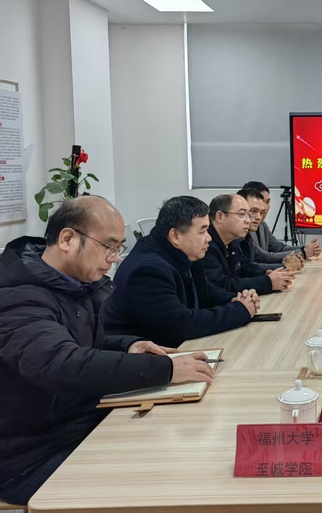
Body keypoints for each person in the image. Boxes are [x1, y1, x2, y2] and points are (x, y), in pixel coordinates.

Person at [0, 197, 214, 505]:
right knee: (161, 480)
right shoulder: (18, 298)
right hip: (33, 456)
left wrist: (128, 345)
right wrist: (167, 369)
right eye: (108, 247)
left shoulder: (75, 283)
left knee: (182, 445)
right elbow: (62, 363)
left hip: (81, 423)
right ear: (68, 239)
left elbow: (81, 343)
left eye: (118, 248)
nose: (113, 259)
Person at [103, 196, 260, 348]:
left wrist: (236, 299)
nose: (209, 238)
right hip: (144, 358)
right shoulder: (148, 270)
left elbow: (207, 291)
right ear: (175, 235)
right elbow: (180, 325)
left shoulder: (185, 254)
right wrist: (239, 311)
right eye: (202, 232)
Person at [204, 193, 295, 294]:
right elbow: (222, 286)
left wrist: (266, 274)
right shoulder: (205, 245)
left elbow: (245, 267)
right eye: (242, 214)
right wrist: (268, 282)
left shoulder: (232, 242)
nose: (248, 220)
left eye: (248, 215)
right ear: (220, 216)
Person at [241, 181, 322, 261]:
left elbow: (278, 248)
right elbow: (262, 257)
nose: (264, 208)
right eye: (261, 201)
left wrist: (306, 248)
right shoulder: (243, 228)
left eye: (267, 202)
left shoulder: (262, 225)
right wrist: (303, 253)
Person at [237, 188, 302, 273]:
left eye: (261, 212)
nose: (258, 217)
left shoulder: (251, 233)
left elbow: (258, 259)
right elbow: (248, 269)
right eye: (253, 211)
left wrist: (286, 262)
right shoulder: (234, 237)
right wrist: (285, 266)